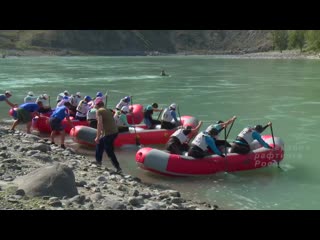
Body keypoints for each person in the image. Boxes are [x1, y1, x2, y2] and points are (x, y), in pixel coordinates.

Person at [94, 99, 122, 173]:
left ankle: (118, 168)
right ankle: (98, 162)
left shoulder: (99, 111)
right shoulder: (107, 110)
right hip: (115, 132)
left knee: (109, 151)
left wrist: (97, 136)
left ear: (97, 106)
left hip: (109, 133)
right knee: (100, 144)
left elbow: (99, 124)